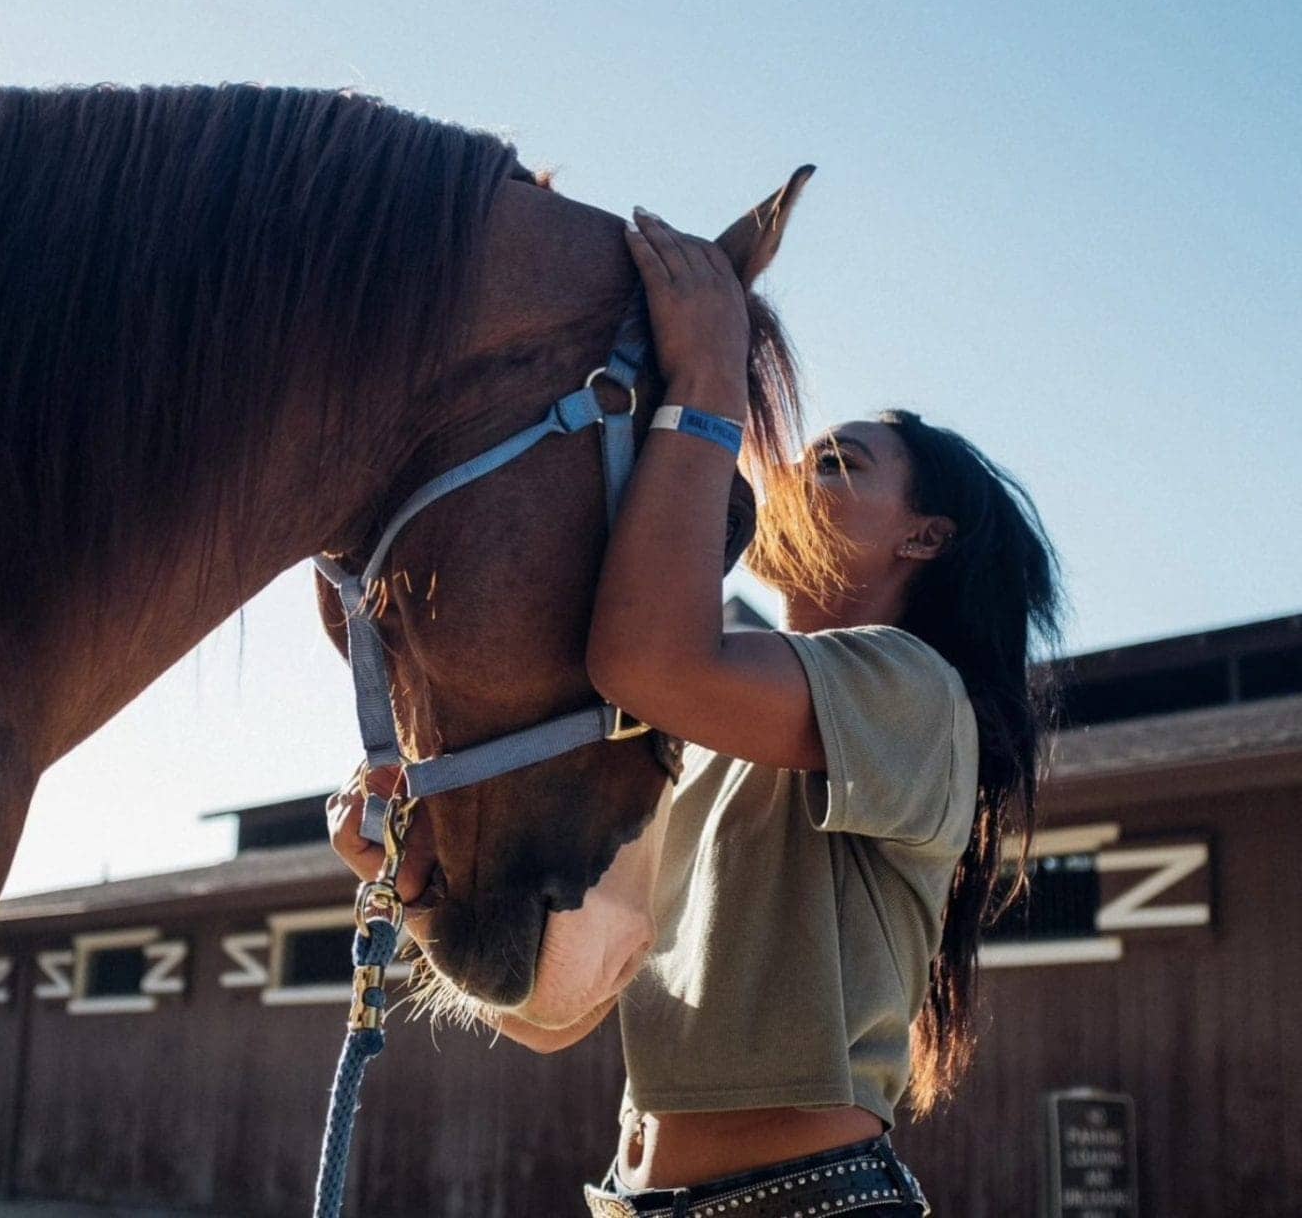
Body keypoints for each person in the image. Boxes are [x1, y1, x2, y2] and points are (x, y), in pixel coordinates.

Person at [329, 207, 1062, 1217]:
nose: (795, 473)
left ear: (925, 539)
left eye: (838, 464)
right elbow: (557, 1011)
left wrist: (712, 377)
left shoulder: (915, 693)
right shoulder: (693, 744)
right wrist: (407, 888)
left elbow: (642, 655)